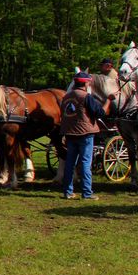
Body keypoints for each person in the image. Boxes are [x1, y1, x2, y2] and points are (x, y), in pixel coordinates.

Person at [60, 71, 106, 200]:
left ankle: (68, 192)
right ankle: (87, 192)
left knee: (70, 163)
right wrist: (108, 101)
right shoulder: (86, 97)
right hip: (85, 134)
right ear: (86, 83)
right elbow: (100, 113)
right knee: (85, 163)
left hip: (70, 133)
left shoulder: (66, 97)